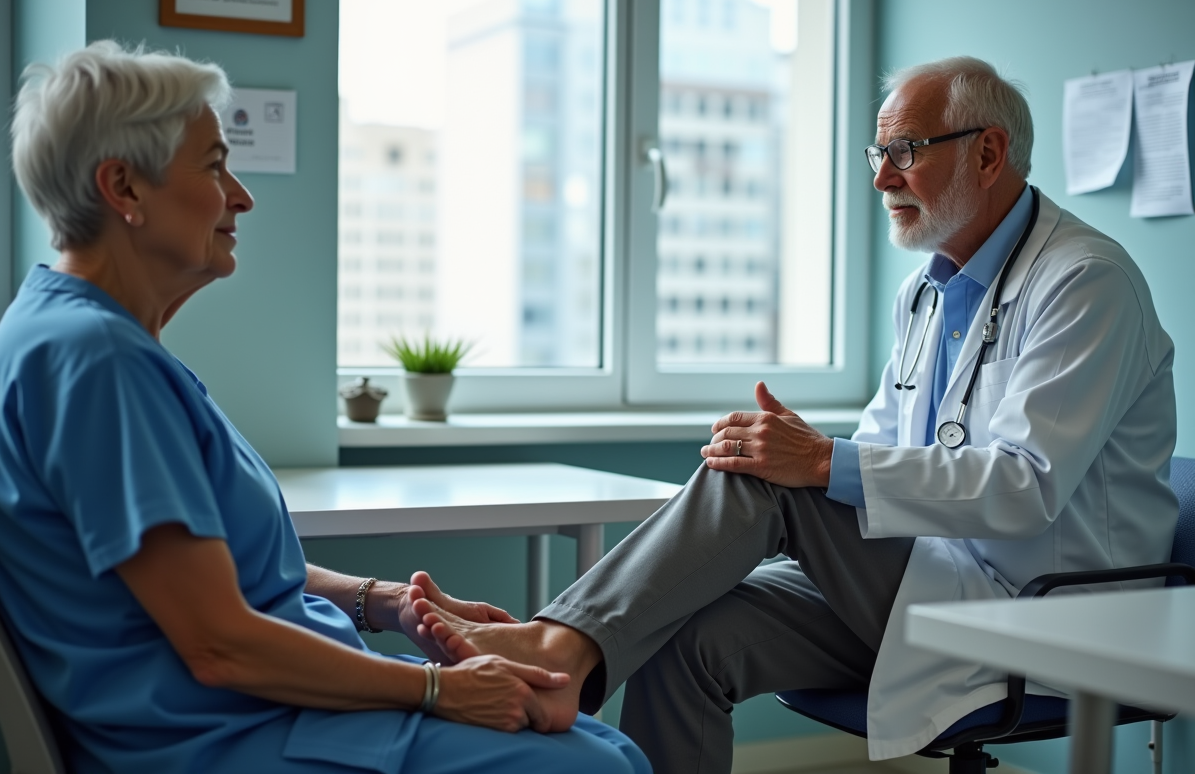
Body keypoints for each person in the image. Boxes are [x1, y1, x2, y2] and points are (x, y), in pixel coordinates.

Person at [413, 56, 1179, 772]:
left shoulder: (1085, 283)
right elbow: (884, 452)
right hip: (932, 579)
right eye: (876, 152)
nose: (882, 177)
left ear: (987, 154)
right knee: (691, 636)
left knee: (771, 476)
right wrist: (806, 458)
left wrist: (812, 462)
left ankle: (555, 648)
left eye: (906, 150)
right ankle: (564, 647)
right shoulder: (926, 291)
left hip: (1049, 615)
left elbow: (1023, 489)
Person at [0, 41, 649, 774]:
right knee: (596, 764)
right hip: (220, 737)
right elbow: (220, 644)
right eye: (214, 166)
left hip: (256, 711)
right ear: (124, 188)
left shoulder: (82, 339)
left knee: (604, 745)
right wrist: (438, 689)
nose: (240, 195)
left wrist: (385, 601)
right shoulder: (94, 362)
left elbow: (220, 571)